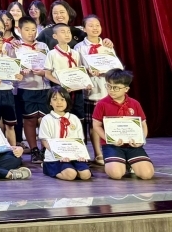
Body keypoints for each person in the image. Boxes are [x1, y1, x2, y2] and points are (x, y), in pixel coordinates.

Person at [91, 69, 154, 181]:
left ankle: (128, 162)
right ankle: (121, 162)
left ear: (126, 89)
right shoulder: (102, 104)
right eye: (109, 86)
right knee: (116, 174)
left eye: (116, 88)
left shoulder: (135, 103)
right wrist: (109, 139)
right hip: (112, 145)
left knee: (147, 175)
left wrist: (141, 140)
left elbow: (143, 124)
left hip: (132, 145)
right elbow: (96, 125)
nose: (111, 90)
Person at [73, 14, 117, 164]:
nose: (95, 28)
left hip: (107, 90)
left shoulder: (107, 45)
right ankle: (98, 154)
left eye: (97, 25)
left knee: (109, 122)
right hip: (90, 91)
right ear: (84, 29)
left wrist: (108, 71)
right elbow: (76, 68)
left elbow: (115, 66)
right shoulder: (79, 47)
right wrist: (87, 71)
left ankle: (111, 151)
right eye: (91, 26)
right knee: (94, 123)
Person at [15, 16, 50, 164]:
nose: (31, 33)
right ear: (19, 30)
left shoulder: (43, 46)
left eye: (33, 30)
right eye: (27, 29)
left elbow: (49, 65)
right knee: (29, 120)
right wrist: (20, 71)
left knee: (45, 120)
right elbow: (12, 67)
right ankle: (34, 150)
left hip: (44, 87)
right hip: (25, 87)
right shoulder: (16, 47)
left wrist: (44, 72)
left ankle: (46, 149)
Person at [39, 88, 91, 181]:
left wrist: (81, 155)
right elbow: (45, 141)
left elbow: (80, 140)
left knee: (86, 175)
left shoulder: (74, 118)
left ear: (67, 101)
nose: (59, 102)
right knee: (70, 175)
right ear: (50, 102)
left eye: (62, 99)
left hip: (74, 155)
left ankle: (73, 168)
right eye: (55, 99)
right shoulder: (46, 119)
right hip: (55, 157)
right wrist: (60, 155)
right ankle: (48, 168)